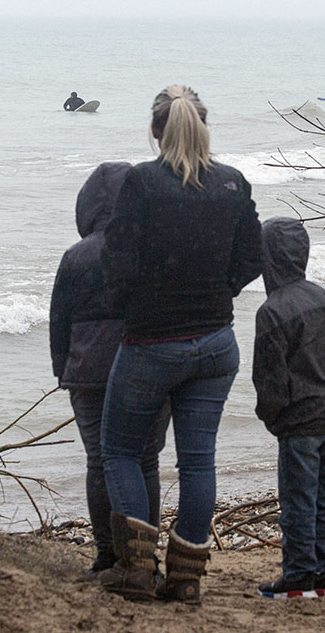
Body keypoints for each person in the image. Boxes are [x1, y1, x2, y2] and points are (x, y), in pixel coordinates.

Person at [98, 84, 262, 603]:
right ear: (205, 128)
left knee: (121, 449)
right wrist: (219, 290)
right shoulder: (232, 184)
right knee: (197, 460)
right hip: (216, 343)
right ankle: (186, 578)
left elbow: (117, 261)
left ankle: (137, 571)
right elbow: (252, 257)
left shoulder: (141, 183)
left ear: (154, 131)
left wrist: (135, 303)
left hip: (151, 342)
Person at [49, 161, 170, 578]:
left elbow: (58, 321)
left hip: (88, 372)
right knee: (145, 461)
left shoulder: (75, 256)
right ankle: (144, 558)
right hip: (149, 365)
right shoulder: (153, 249)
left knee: (100, 461)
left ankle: (107, 556)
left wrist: (61, 368)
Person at [252, 216, 325, 600]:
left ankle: (298, 575)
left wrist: (274, 418)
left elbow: (269, 381)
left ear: (267, 259)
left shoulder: (272, 310)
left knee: (299, 500)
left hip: (300, 421)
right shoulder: (322, 297)